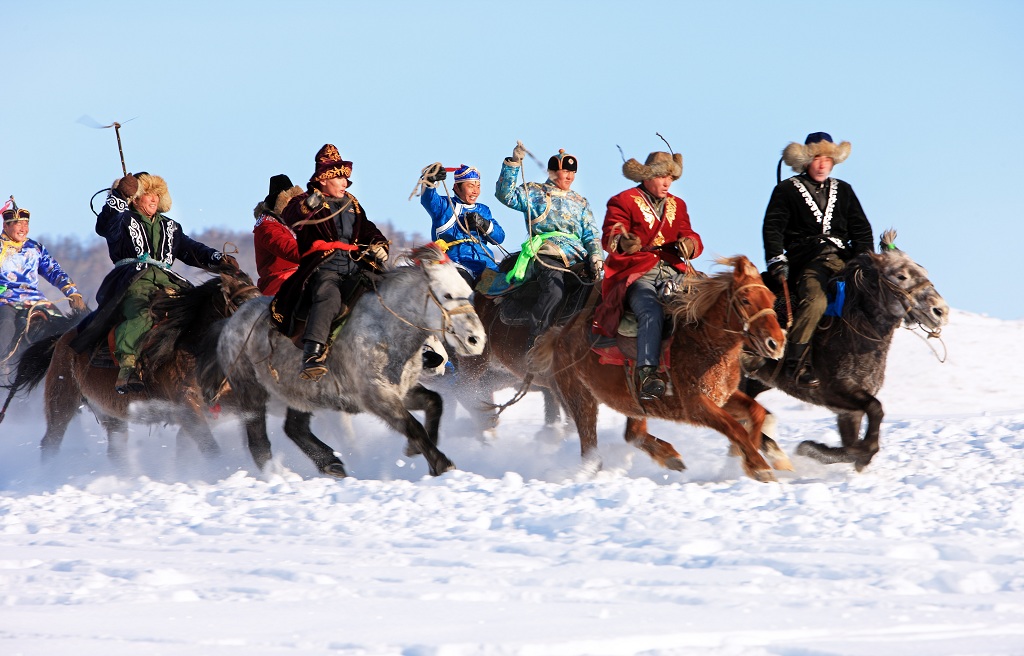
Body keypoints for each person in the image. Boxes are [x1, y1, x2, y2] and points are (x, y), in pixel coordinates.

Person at [71, 173, 239, 394]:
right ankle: (128, 369)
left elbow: (192, 250)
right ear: (135, 198)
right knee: (144, 313)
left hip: (170, 282)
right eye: (148, 194)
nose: (154, 199)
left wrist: (219, 259)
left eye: (158, 195)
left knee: (202, 310)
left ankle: (213, 368)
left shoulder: (171, 227)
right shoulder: (122, 220)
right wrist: (120, 195)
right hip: (132, 283)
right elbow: (104, 226)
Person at [763, 132, 874, 387]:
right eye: (816, 158)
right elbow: (773, 227)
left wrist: (864, 260)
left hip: (844, 260)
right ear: (805, 161)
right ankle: (796, 362)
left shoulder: (844, 190)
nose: (822, 164)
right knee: (815, 300)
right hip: (808, 261)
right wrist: (777, 259)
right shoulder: (787, 190)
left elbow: (861, 229)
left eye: (828, 158)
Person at [272, 144, 389, 381]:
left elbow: (367, 228)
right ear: (324, 179)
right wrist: (308, 206)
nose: (346, 182)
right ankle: (313, 354)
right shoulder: (305, 201)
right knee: (329, 296)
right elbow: (291, 215)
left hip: (356, 264)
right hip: (324, 268)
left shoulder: (352, 202)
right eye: (339, 176)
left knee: (390, 287)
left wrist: (379, 244)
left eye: (345, 176)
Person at [593, 150, 703, 401]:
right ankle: (648, 374)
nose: (667, 183)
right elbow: (612, 233)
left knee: (709, 300)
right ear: (648, 176)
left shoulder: (678, 204)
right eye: (663, 176)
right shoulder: (623, 200)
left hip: (674, 271)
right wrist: (623, 242)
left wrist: (690, 244)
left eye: (671, 178)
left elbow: (690, 234)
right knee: (650, 310)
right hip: (638, 272)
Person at [492, 142, 603, 346]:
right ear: (552, 173)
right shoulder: (535, 193)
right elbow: (504, 195)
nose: (569, 176)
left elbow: (591, 235)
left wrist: (596, 255)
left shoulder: (581, 202)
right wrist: (514, 164)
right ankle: (537, 339)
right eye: (564, 171)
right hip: (547, 253)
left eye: (572, 172)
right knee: (554, 291)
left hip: (579, 257)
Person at [0, 206, 87, 357]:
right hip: (6, 299)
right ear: (5, 225)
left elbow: (54, 271)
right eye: (18, 224)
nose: (23, 229)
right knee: (5, 326)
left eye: (26, 224)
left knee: (63, 325)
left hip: (35, 300)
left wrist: (72, 292)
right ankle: (3, 366)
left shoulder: (35, 248)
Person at [417, 163, 506, 286]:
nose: (475, 191)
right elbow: (427, 199)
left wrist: (484, 224)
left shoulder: (483, 210)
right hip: (456, 263)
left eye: (478, 186)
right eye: (470, 186)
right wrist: (429, 180)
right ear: (457, 187)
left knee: (507, 286)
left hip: (485, 263)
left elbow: (499, 238)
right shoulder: (444, 206)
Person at [253, 174, 303, 296]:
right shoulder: (266, 226)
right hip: (279, 281)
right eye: (292, 203)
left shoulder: (294, 224)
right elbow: (288, 249)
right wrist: (317, 251)